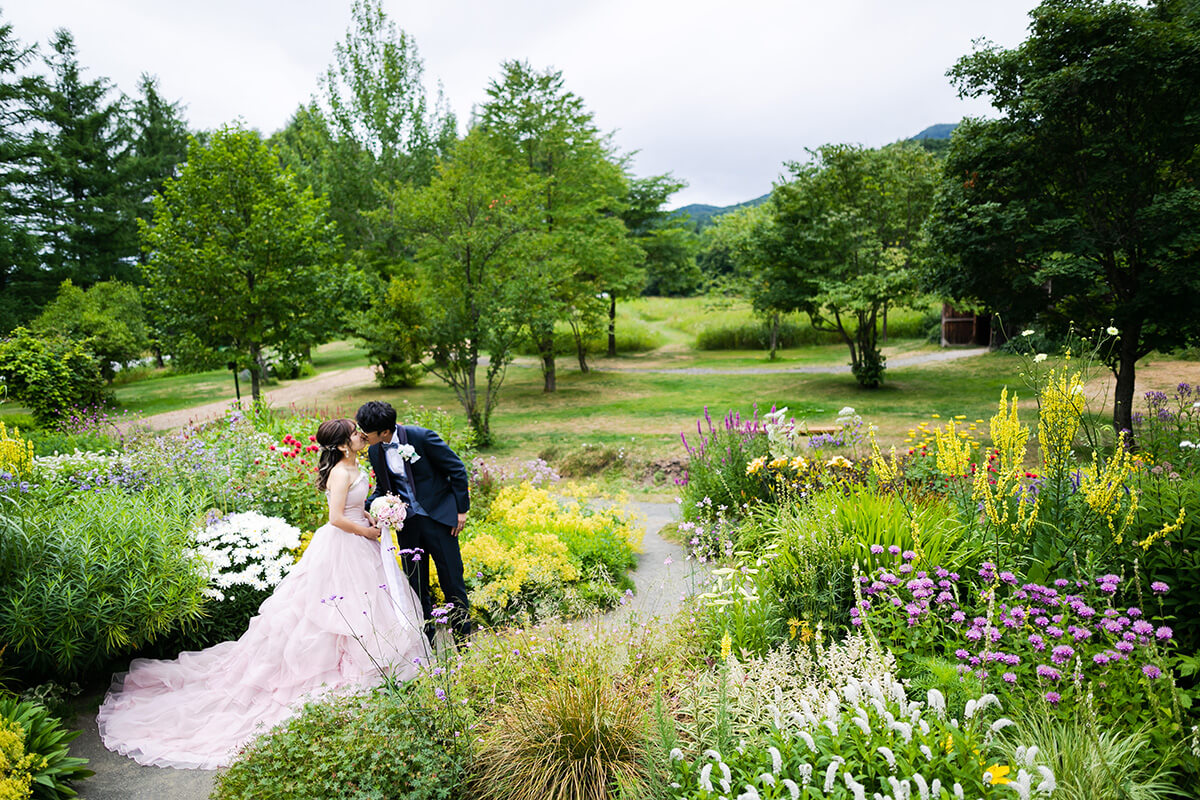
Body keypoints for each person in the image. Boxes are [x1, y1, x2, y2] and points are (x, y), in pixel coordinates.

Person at [97, 419, 430, 770]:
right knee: (331, 615)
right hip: (344, 548)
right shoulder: (339, 473)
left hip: (360, 543)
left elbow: (351, 507)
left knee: (371, 605)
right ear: (344, 444)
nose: (360, 434)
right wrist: (366, 532)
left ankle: (377, 669)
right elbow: (334, 518)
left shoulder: (353, 464)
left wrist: (372, 516)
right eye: (354, 432)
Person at [355, 401, 472, 647]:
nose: (363, 435)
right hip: (408, 527)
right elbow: (384, 487)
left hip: (439, 521)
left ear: (385, 431)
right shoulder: (376, 450)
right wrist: (371, 506)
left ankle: (464, 645)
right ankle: (427, 646)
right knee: (416, 587)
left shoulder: (422, 437)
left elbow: (457, 470)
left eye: (368, 432)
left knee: (452, 581)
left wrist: (461, 510)